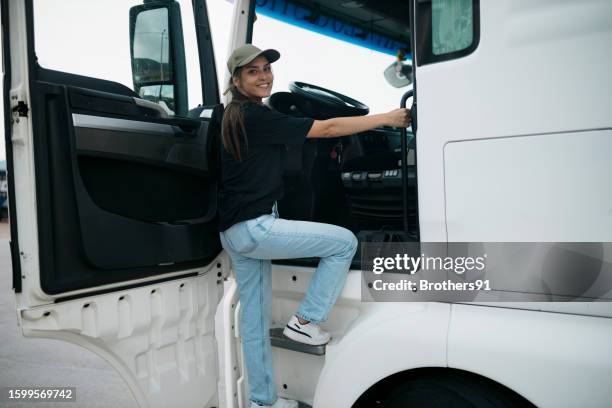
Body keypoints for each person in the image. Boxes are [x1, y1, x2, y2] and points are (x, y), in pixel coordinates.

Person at [218, 44, 411, 408]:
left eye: (266, 69)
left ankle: (263, 402)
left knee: (255, 324)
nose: (264, 76)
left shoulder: (233, 115)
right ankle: (306, 322)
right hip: (255, 229)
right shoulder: (256, 117)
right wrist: (385, 118)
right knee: (342, 243)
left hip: (234, 233)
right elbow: (328, 128)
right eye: (253, 71)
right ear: (237, 79)